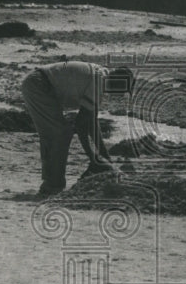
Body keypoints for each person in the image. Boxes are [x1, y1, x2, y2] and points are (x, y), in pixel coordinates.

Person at [21, 61, 135, 197]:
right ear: (117, 82)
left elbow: (91, 124)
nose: (120, 95)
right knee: (60, 133)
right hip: (38, 84)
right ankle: (52, 185)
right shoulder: (98, 83)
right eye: (122, 90)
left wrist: (105, 158)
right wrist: (94, 158)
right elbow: (81, 124)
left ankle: (51, 183)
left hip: (41, 84)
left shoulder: (101, 77)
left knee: (56, 133)